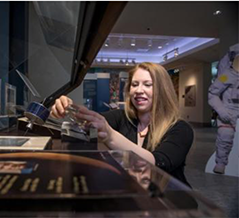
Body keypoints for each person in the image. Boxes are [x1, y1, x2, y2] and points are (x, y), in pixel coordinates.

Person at [51, 62, 194, 187]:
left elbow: (156, 163)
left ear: (162, 90)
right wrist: (68, 107)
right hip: (133, 193)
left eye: (148, 85)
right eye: (134, 84)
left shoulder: (180, 129)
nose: (138, 90)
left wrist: (110, 135)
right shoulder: (122, 117)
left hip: (169, 201)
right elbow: (91, 120)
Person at [208, 43, 239, 174]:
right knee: (225, 135)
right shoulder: (227, 75)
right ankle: (221, 162)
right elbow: (213, 92)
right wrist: (221, 110)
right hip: (229, 108)